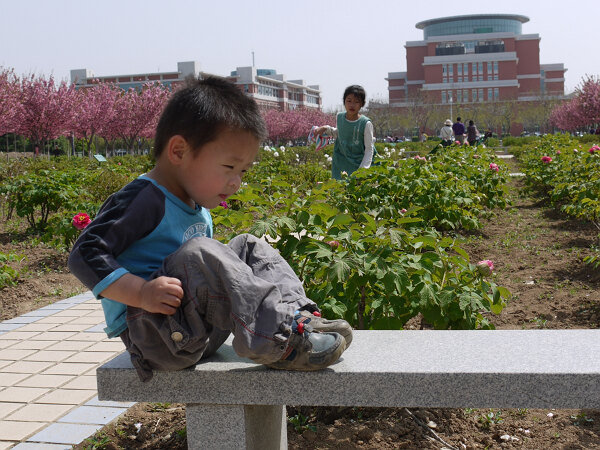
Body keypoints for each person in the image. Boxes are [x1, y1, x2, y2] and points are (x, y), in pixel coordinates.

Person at [68, 77, 351, 382]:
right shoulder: (145, 199)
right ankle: (284, 342)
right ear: (178, 151)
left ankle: (299, 318)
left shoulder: (195, 205)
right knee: (199, 252)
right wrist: (141, 292)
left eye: (243, 171)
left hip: (196, 333)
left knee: (247, 245)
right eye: (229, 168)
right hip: (154, 336)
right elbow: (85, 253)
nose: (236, 182)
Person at [313, 85, 375, 180]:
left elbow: (369, 149)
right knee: (340, 191)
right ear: (344, 102)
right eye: (349, 101)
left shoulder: (366, 123)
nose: (352, 105)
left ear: (362, 104)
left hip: (359, 164)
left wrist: (362, 171)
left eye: (356, 102)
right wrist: (326, 128)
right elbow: (340, 133)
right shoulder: (340, 117)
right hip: (341, 163)